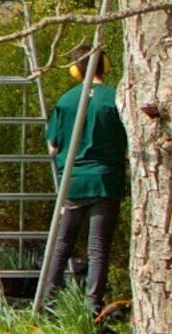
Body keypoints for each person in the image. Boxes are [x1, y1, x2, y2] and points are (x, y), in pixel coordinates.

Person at [39, 47, 131, 316]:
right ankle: (93, 309)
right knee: (98, 248)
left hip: (72, 182)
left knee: (61, 246)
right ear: (106, 64)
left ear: (75, 70)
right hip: (105, 182)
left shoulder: (66, 101)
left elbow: (52, 147)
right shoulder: (116, 99)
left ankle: (50, 304)